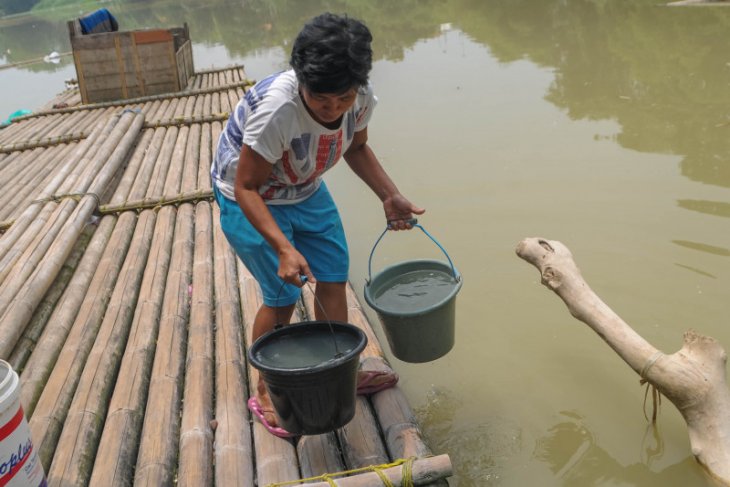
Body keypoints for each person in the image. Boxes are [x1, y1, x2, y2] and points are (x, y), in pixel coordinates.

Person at [211, 12, 424, 437]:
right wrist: (284, 249)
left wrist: (389, 193)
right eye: (321, 99)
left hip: (305, 188)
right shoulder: (279, 109)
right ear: (301, 79)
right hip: (251, 196)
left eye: (342, 99)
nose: (332, 110)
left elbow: (356, 147)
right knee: (282, 293)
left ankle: (338, 369)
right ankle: (268, 390)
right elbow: (248, 186)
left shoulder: (360, 97)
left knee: (332, 276)